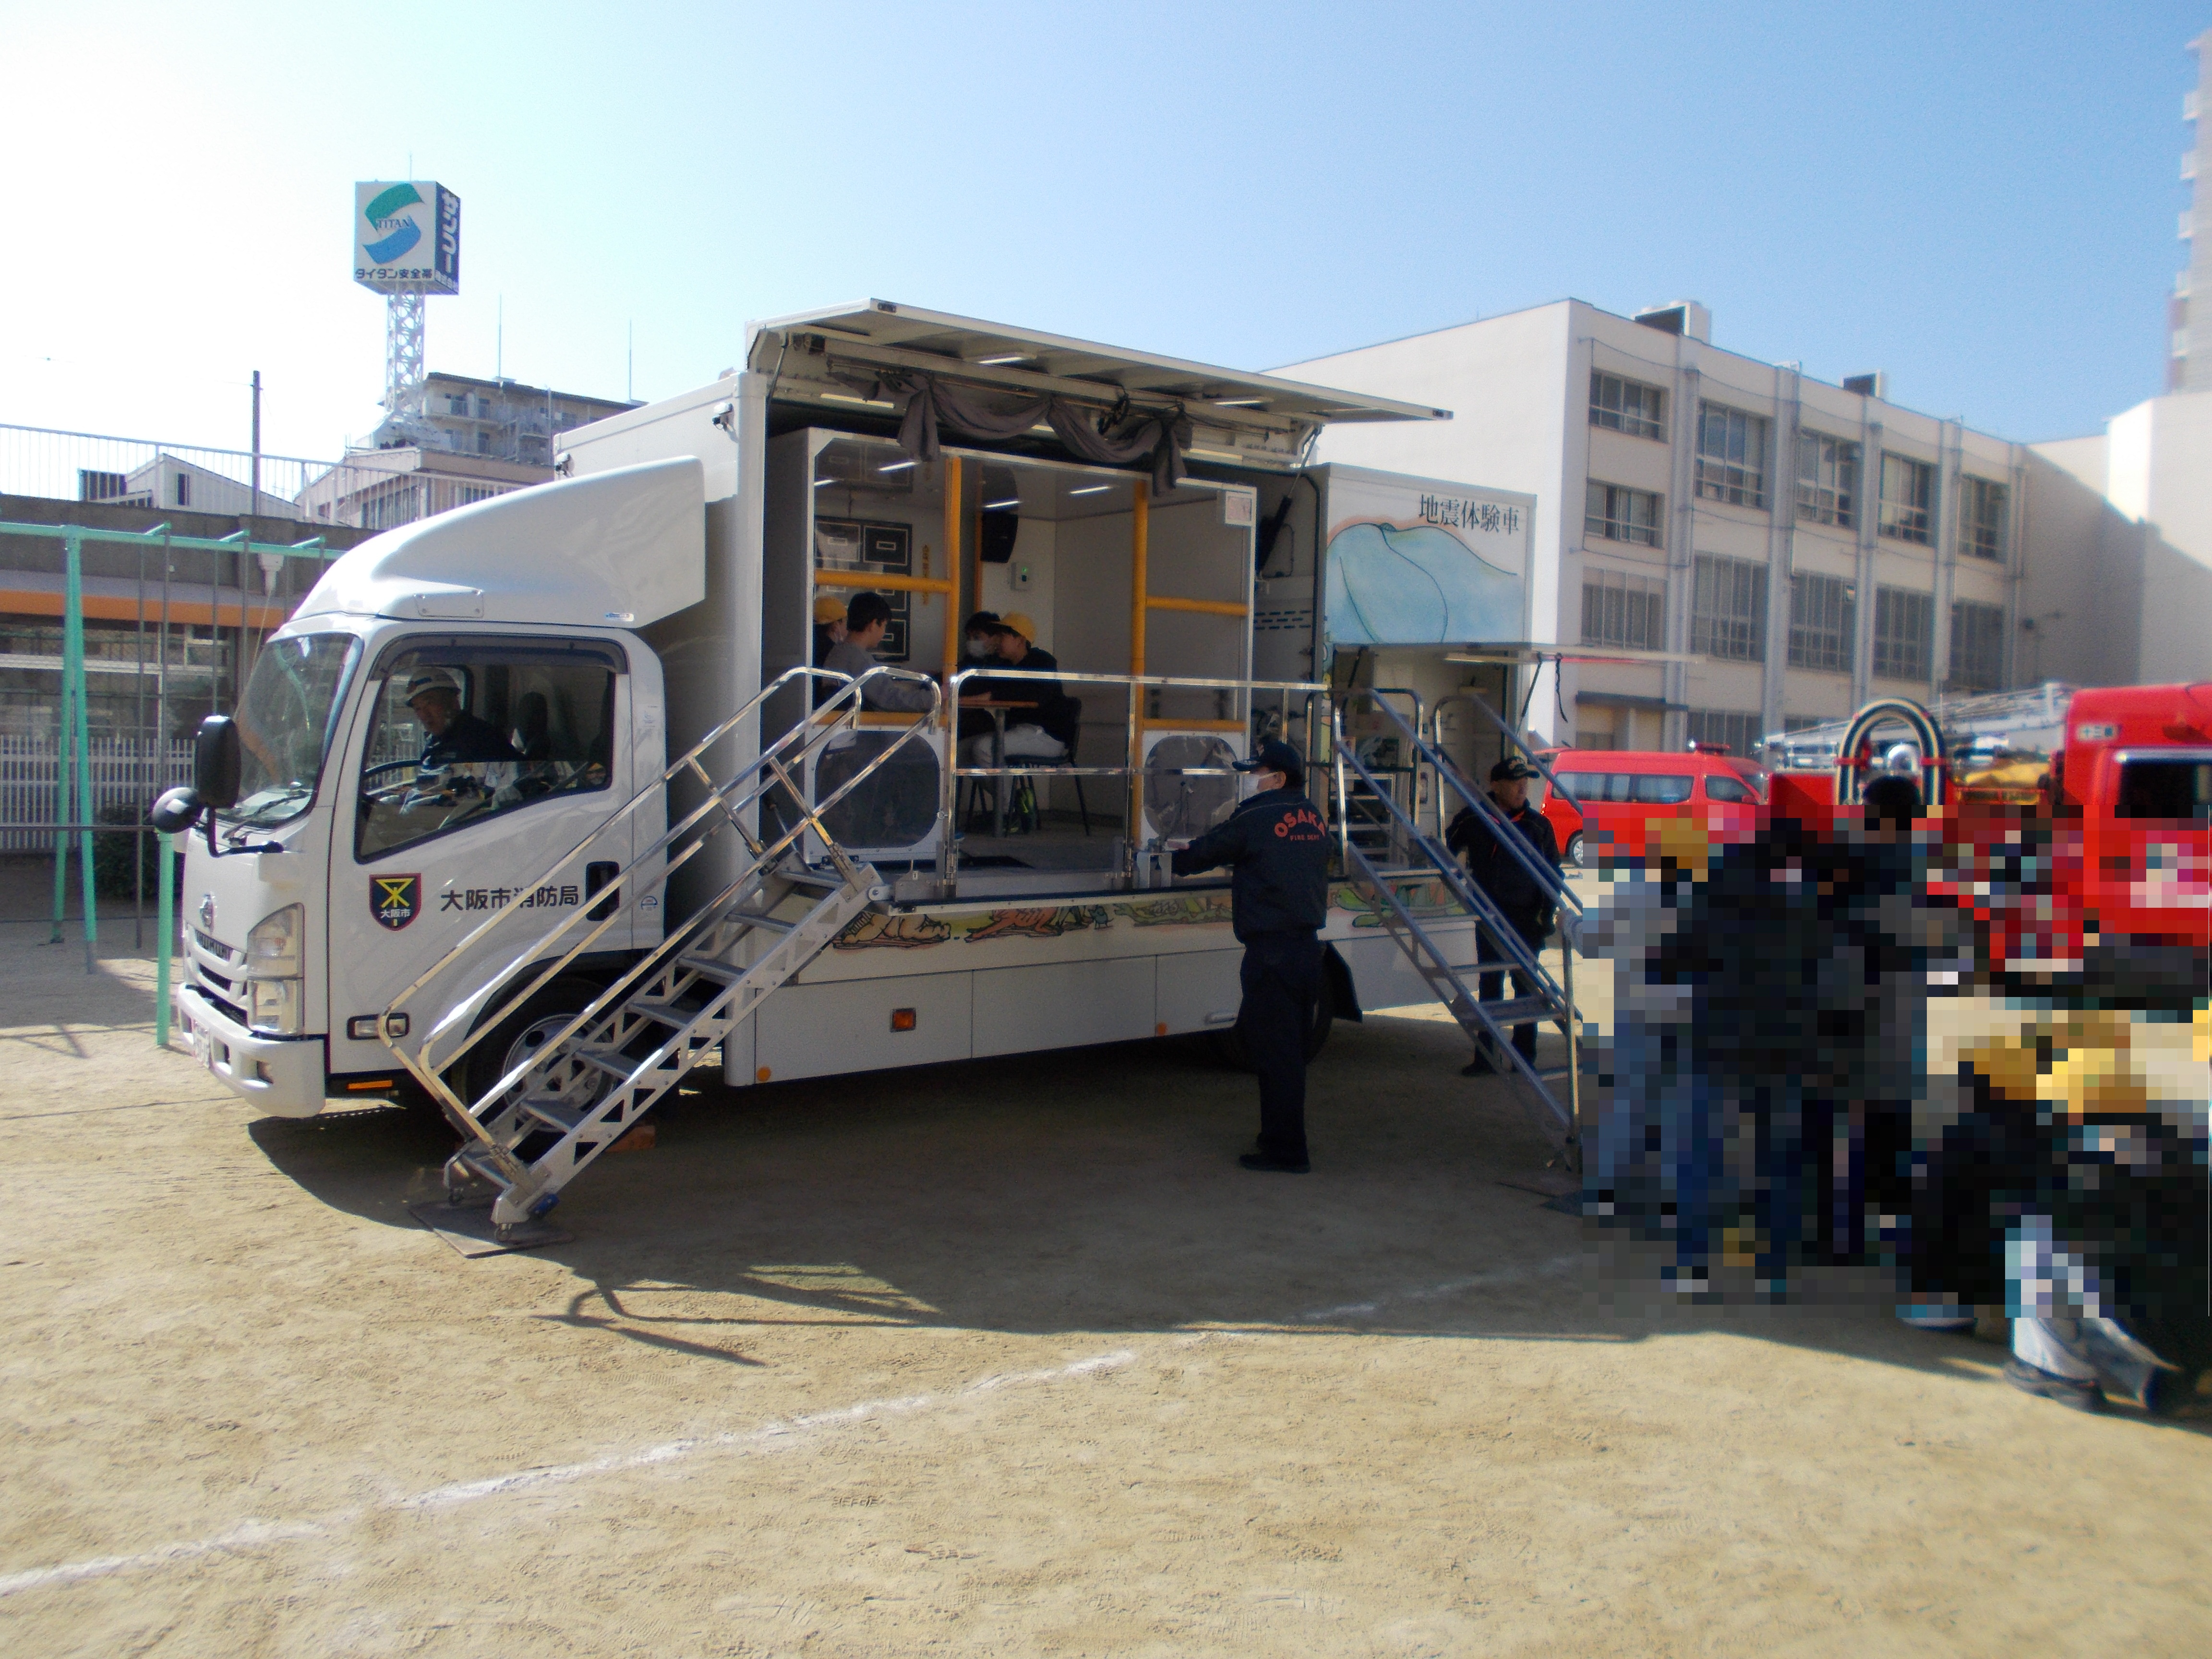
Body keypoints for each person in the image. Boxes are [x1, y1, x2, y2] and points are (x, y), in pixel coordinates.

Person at [1171, 738, 1332, 1173]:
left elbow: (1207, 852)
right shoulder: (1314, 817)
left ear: (1277, 778)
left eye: (1255, 773)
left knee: (1274, 1053)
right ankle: (1278, 1140)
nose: (1250, 781)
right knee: (1291, 1053)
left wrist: (1176, 860)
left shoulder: (1258, 815)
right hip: (1306, 949)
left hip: (1272, 952)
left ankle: (1286, 1151)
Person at [1445, 756, 1562, 1075]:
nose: (1523, 787)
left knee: (1525, 989)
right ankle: (1486, 1057)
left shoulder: (1538, 826)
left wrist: (1545, 917)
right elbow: (1448, 844)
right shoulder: (1476, 818)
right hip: (1490, 916)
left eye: (1526, 780)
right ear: (1496, 785)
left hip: (1527, 918)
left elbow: (1553, 876)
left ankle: (1525, 1060)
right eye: (1514, 781)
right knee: (1491, 986)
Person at [822, 592, 935, 712]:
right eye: (884, 626)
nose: (884, 632)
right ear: (873, 624)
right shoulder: (859, 659)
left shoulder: (840, 652)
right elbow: (890, 700)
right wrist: (935, 698)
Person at [405, 669, 519, 767]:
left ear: (452, 702)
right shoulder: (435, 741)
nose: (425, 715)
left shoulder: (484, 739)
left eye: (429, 704)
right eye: (418, 709)